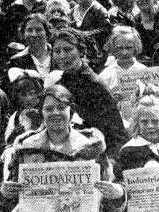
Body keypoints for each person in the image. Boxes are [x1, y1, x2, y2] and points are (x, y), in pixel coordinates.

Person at [0, 85, 127, 212]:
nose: (55, 113)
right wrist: (4, 191)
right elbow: (10, 192)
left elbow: (110, 191)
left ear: (71, 111)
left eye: (61, 107)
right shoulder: (27, 145)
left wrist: (117, 193)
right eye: (49, 109)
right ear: (41, 113)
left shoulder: (90, 144)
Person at [52, 29, 128, 157]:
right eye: (57, 51)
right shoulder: (59, 84)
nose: (62, 56)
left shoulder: (94, 84)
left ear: (81, 51)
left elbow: (116, 133)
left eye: (68, 50)